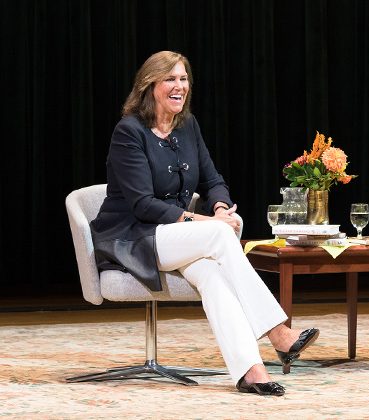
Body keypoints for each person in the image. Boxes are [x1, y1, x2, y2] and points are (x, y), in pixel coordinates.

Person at [90, 51, 319, 395]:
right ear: (150, 85)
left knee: (213, 272)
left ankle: (250, 371)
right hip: (134, 237)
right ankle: (278, 332)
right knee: (216, 233)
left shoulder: (187, 126)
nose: (179, 86)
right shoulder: (129, 131)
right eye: (170, 79)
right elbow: (142, 204)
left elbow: (212, 180)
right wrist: (206, 220)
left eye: (183, 79)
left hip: (177, 236)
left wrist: (222, 208)